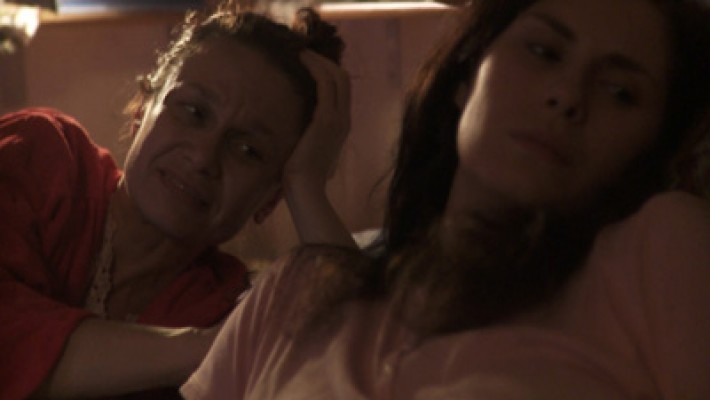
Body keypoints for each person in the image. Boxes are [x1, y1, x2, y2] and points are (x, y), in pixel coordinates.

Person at [181, 0, 710, 398]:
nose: (567, 96)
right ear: (468, 75)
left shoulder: (655, 250)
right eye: (544, 52)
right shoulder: (296, 290)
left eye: (620, 92)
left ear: (654, 145)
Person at [0, 2, 355, 399]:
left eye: (248, 150)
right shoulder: (43, 158)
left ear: (270, 200)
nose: (204, 157)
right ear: (141, 111)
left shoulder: (223, 303)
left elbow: (357, 369)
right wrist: (213, 348)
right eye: (194, 112)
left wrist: (306, 185)